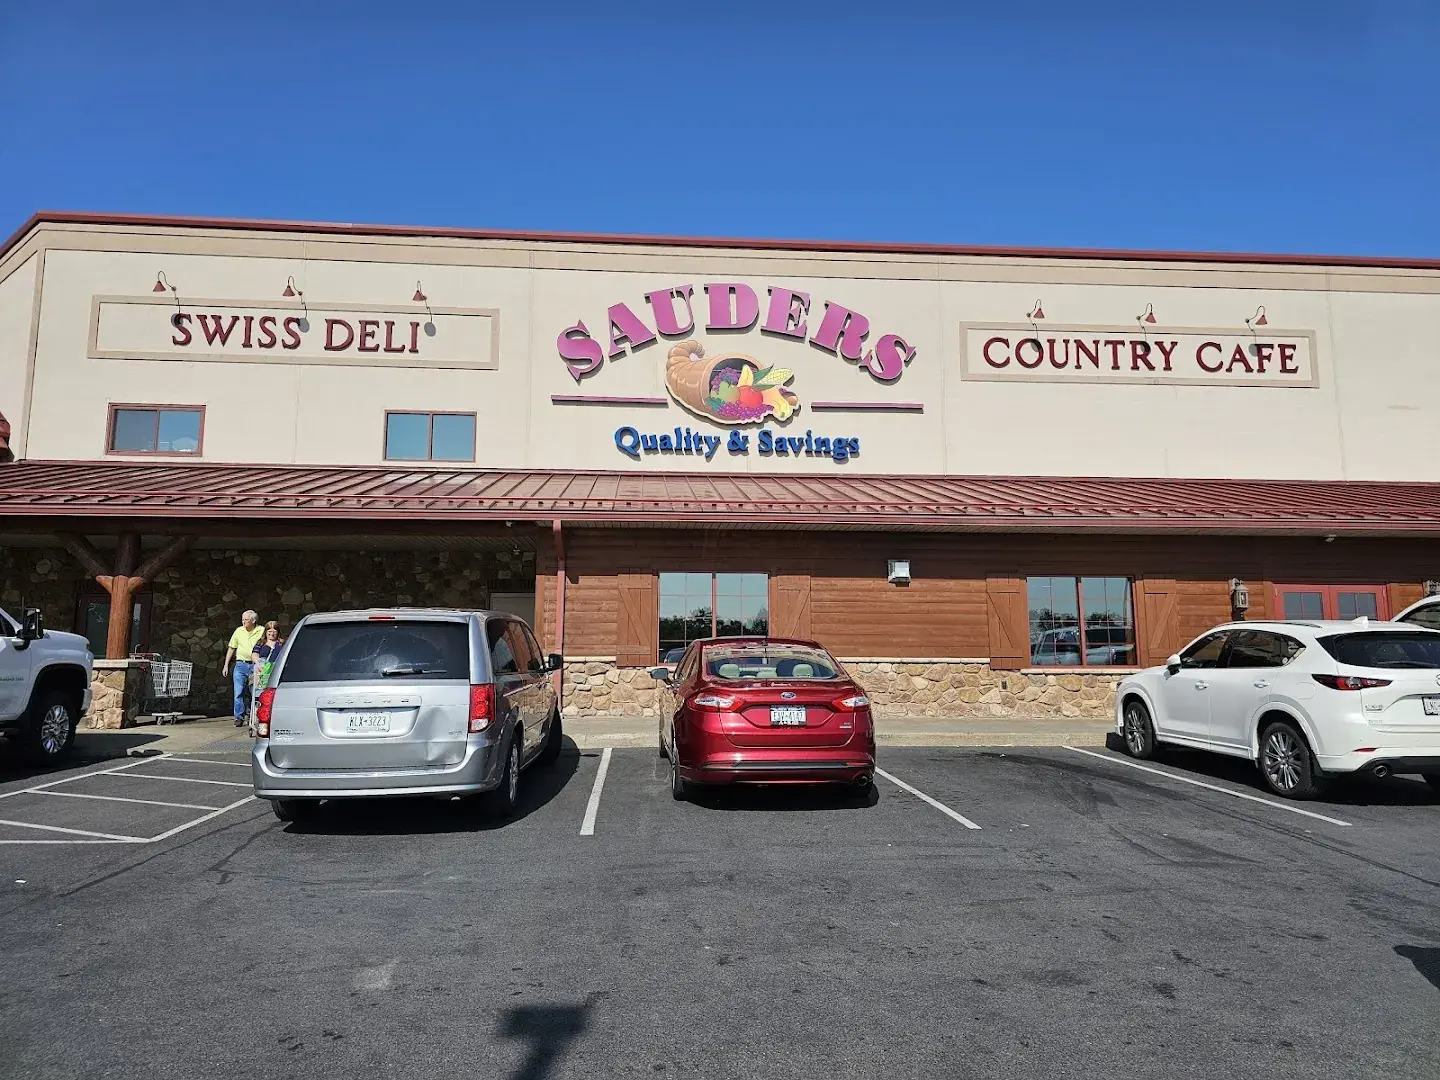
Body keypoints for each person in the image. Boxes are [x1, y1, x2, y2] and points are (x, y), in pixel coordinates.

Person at [222, 610, 265, 727]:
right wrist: (226, 665)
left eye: (246, 619)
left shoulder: (261, 630)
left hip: (255, 665)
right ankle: (238, 717)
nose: (243, 622)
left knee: (254, 692)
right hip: (240, 665)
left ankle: (252, 715)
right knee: (238, 692)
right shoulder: (239, 631)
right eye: (242, 619)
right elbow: (231, 648)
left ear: (253, 621)